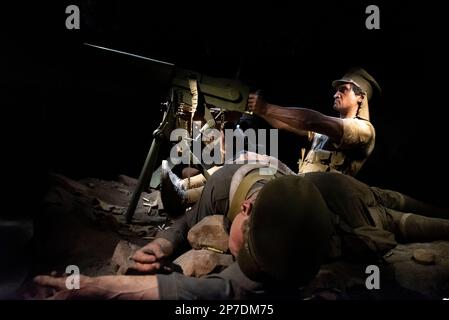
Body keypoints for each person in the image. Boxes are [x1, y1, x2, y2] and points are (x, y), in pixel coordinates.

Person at [33, 163, 449, 300]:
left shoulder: (308, 216)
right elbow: (219, 286)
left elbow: (230, 294)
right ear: (244, 210)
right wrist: (160, 243)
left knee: (403, 214)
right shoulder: (221, 192)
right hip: (250, 177)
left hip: (343, 192)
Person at [161, 68, 381, 216]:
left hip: (319, 201)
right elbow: (285, 124)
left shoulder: (362, 130)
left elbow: (310, 120)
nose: (336, 93)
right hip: (302, 187)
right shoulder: (327, 132)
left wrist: (266, 108)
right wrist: (252, 110)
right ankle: (183, 190)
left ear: (361, 97)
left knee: (251, 162)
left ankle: (184, 198)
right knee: (243, 160)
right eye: (336, 90)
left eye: (344, 89)